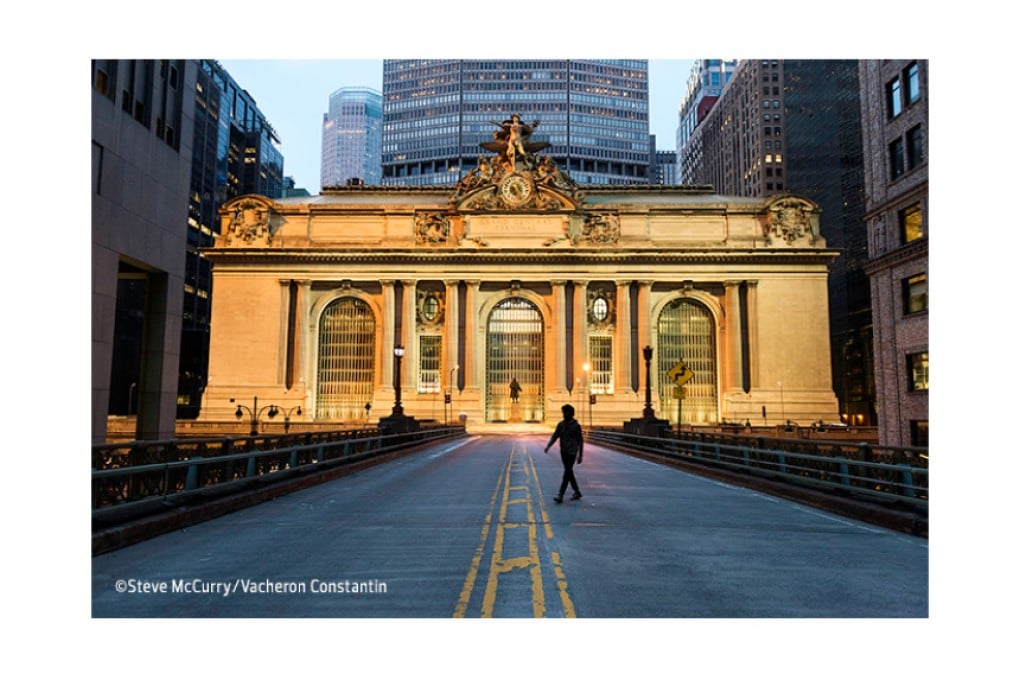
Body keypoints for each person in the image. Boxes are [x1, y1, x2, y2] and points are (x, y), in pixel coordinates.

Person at [544, 403, 584, 503]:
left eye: (565, 412)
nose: (563, 414)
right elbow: (555, 436)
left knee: (567, 471)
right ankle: (577, 492)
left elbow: (580, 441)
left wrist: (580, 455)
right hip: (563, 451)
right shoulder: (561, 425)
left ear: (570, 413)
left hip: (572, 452)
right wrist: (549, 446)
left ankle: (560, 494)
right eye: (563, 412)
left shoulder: (576, 426)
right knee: (568, 471)